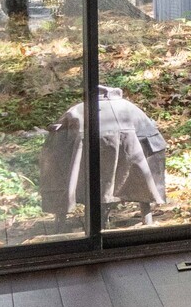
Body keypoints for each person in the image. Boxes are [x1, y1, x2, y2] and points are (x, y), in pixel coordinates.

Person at [39, 85, 169, 221]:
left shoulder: (76, 111)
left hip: (85, 177)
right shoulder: (129, 108)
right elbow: (154, 142)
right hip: (129, 175)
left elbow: (55, 147)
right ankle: (146, 213)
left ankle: (61, 220)